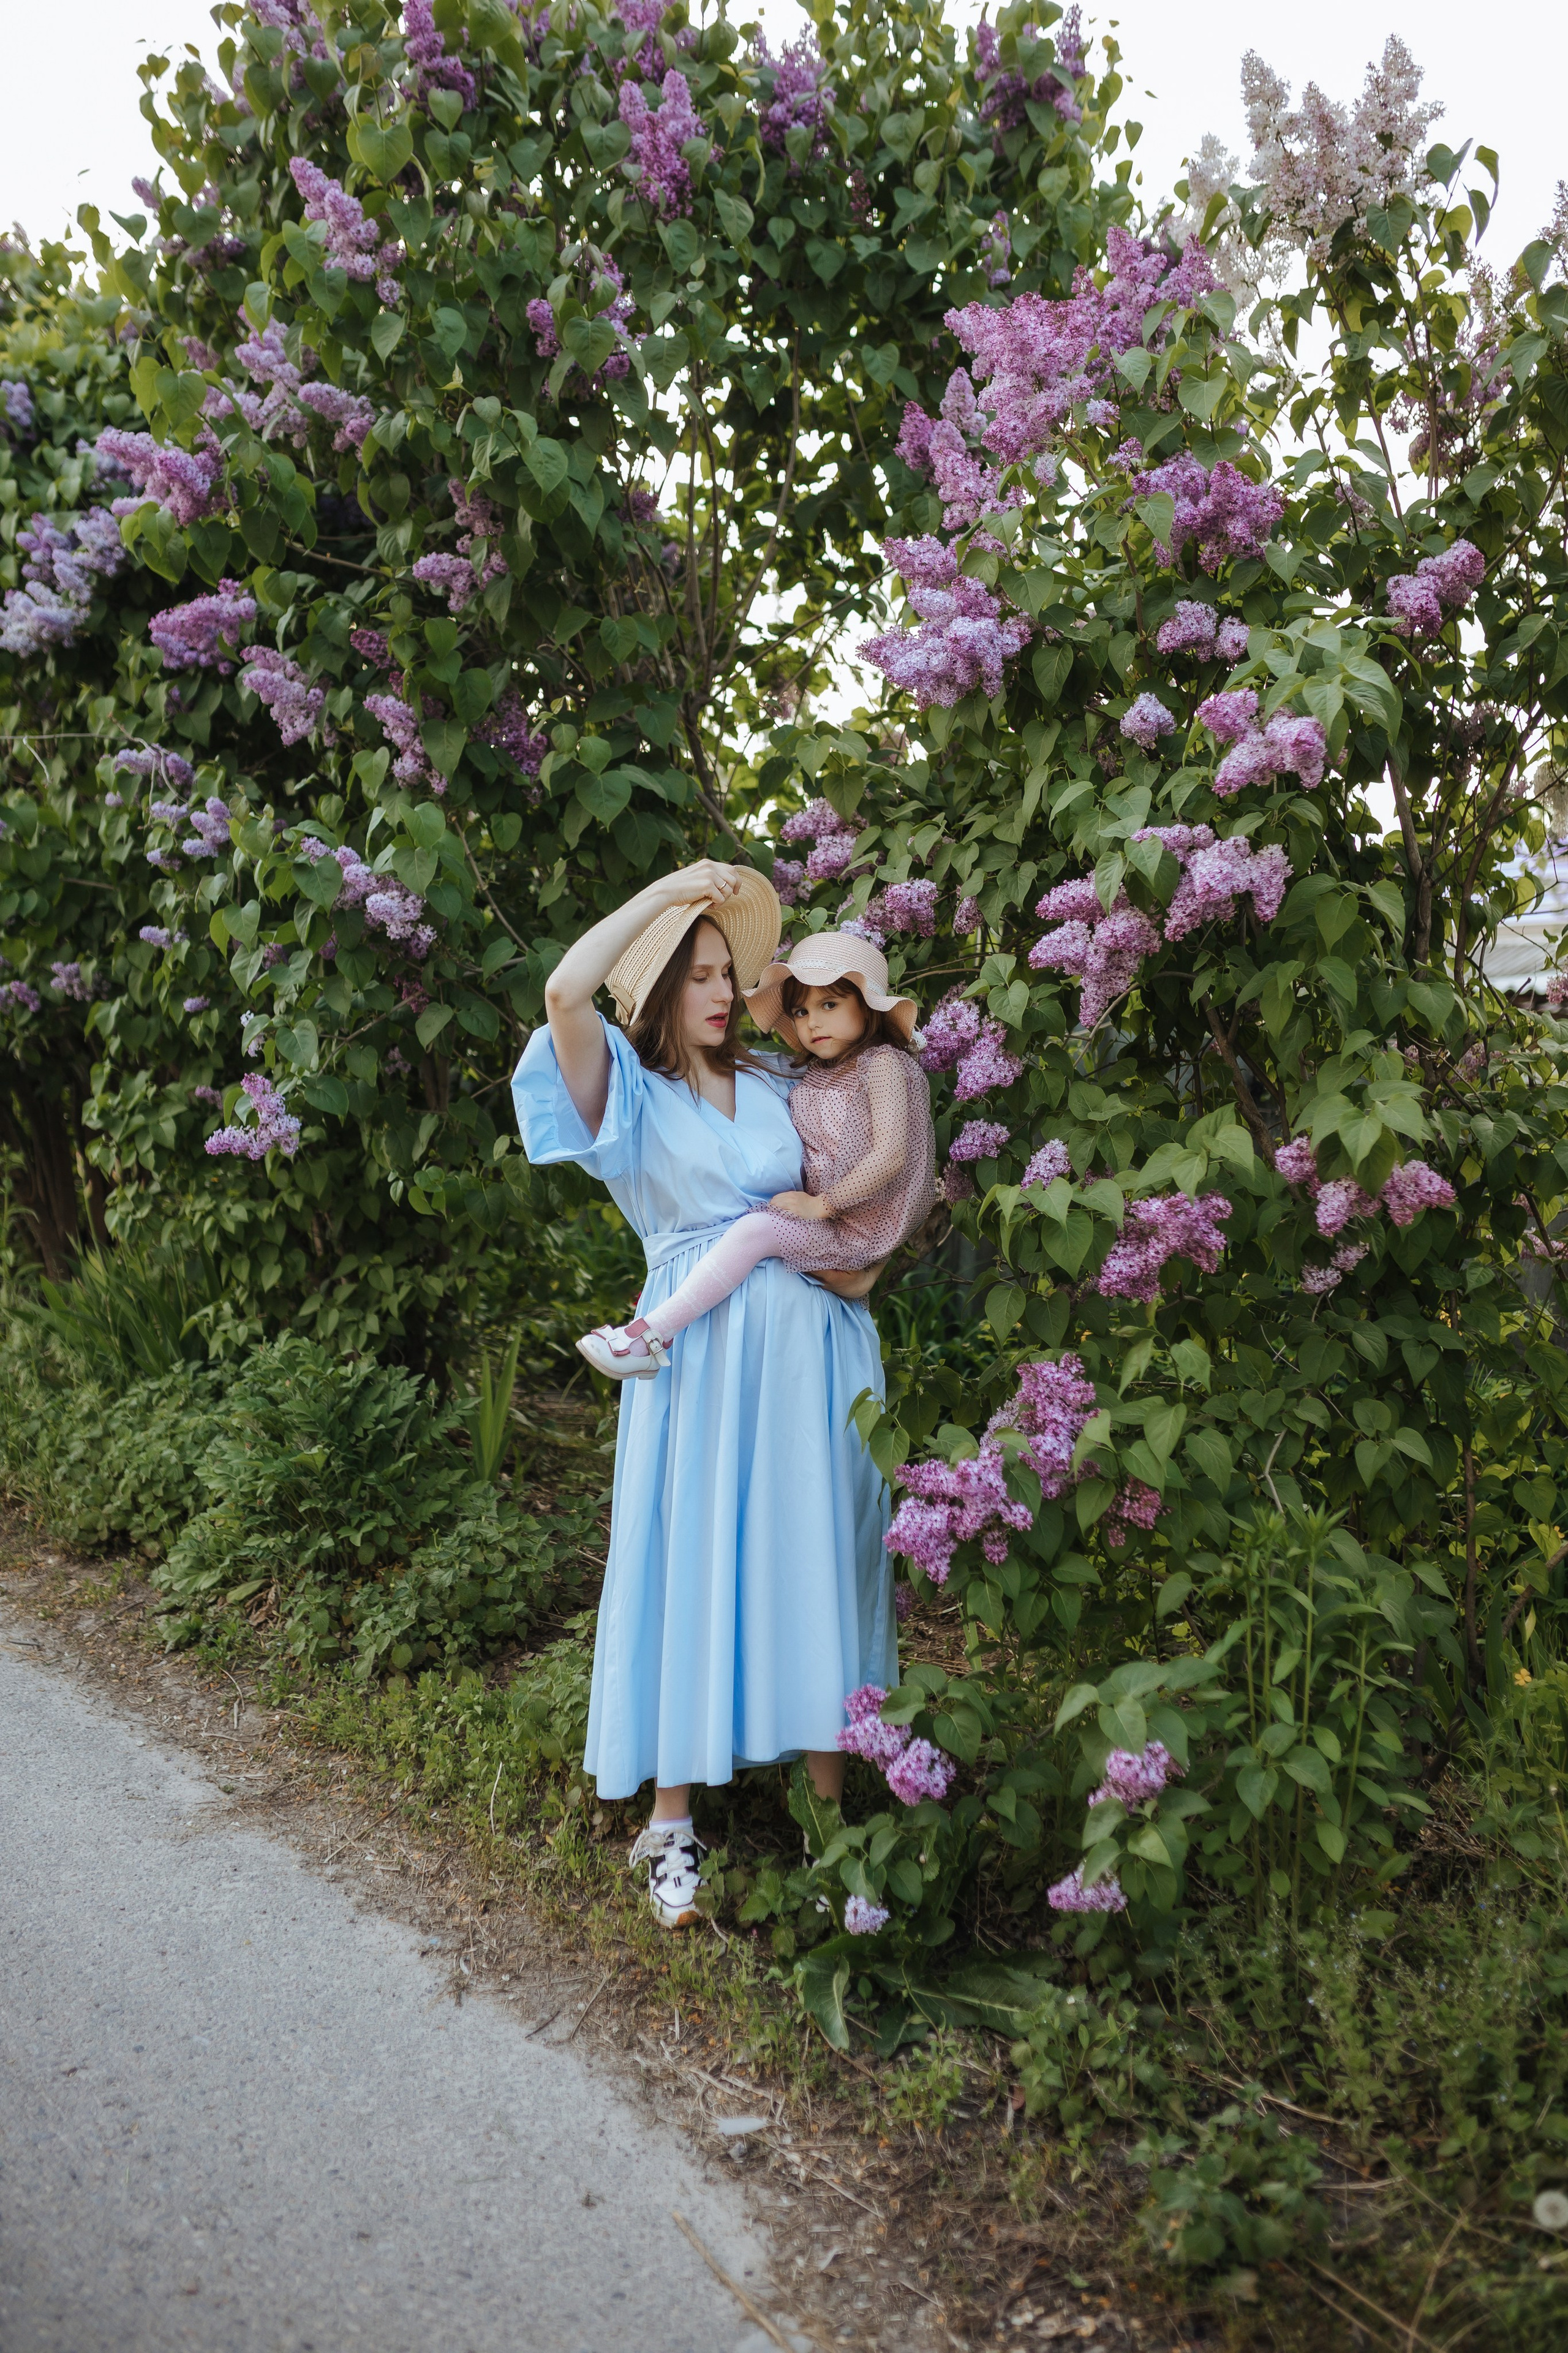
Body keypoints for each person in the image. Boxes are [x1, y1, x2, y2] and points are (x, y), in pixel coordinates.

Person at [510, 863, 899, 1928]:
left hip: (816, 1359)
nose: (725, 993)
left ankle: (831, 1832)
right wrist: (675, 891)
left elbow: (863, 1201)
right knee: (692, 1561)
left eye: (732, 973)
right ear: (661, 993)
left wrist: (860, 1270)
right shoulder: (627, 1096)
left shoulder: (785, 1087)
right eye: (700, 976)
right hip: (699, 1366)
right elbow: (562, 994)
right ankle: (672, 1822)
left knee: (814, 1559)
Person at [576, 931, 935, 1377]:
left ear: (868, 1006)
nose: (812, 1023)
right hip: (818, 1248)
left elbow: (893, 1157)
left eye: (830, 1005)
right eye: (801, 1011)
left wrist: (825, 1208)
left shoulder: (881, 1064)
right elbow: (565, 997)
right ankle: (647, 1336)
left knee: (756, 1230)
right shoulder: (808, 1075)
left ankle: (649, 1335)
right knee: (758, 1230)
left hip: (846, 1237)